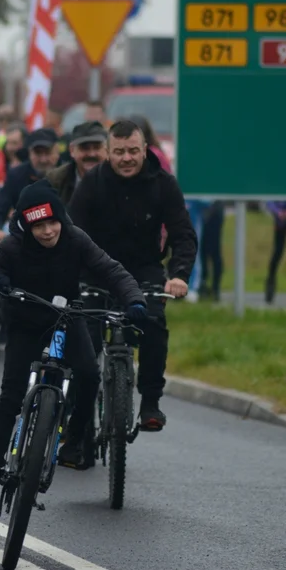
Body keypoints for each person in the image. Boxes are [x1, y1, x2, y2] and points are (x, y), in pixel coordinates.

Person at [0, 180, 147, 510]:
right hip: (24, 324)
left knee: (89, 374)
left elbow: (111, 270)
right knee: (10, 398)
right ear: (25, 225)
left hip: (66, 318)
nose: (48, 232)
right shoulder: (10, 247)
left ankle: (74, 442)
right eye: (39, 225)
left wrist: (133, 299)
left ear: (62, 219)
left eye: (53, 223)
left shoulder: (75, 239)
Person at [69, 119, 197, 431]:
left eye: (133, 151)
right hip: (96, 270)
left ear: (145, 150)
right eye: (119, 152)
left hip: (144, 269)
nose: (127, 158)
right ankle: (77, 418)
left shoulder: (164, 184)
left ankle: (150, 403)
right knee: (84, 338)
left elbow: (183, 235)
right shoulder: (92, 184)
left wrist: (179, 275)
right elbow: (71, 235)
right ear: (108, 154)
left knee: (154, 323)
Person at [0, 128, 59, 244]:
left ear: (57, 152)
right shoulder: (16, 175)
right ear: (29, 153)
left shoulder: (67, 174)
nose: (43, 159)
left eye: (47, 153)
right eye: (38, 153)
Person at [45, 121, 107, 205]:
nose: (91, 154)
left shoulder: (117, 176)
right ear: (72, 150)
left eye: (97, 147)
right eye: (84, 148)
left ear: (107, 149)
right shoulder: (56, 180)